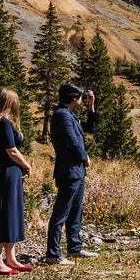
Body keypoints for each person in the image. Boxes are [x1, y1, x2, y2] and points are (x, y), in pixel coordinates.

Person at [46, 81, 97, 266]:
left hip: (77, 171)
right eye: (82, 97)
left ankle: (74, 247)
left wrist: (92, 107)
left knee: (76, 210)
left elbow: (90, 129)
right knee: (61, 212)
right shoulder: (62, 116)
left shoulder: (69, 115)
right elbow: (72, 141)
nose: (82, 100)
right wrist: (84, 157)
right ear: (74, 98)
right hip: (69, 170)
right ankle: (53, 253)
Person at [0, 88, 33, 275]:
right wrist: (26, 165)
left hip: (11, 174)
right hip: (5, 173)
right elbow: (11, 150)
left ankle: (10, 257)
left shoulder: (3, 122)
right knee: (2, 214)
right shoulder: (4, 123)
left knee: (12, 215)